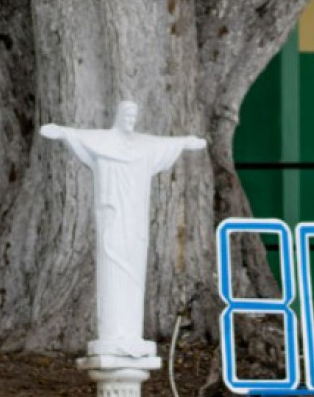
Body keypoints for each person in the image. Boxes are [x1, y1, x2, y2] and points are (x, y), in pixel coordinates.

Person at [40, 101, 205, 355]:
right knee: (112, 266)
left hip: (135, 219)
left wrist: (185, 142)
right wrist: (61, 132)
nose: (131, 119)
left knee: (134, 270)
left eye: (134, 115)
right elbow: (80, 137)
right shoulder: (103, 142)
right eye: (127, 114)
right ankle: (112, 332)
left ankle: (130, 332)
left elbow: (164, 144)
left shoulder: (143, 145)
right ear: (118, 115)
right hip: (112, 216)